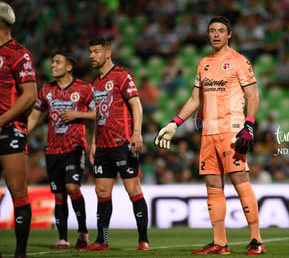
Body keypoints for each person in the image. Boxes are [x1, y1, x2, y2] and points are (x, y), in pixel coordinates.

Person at [155, 16, 265, 255]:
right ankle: (220, 243)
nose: (216, 34)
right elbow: (196, 99)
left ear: (229, 35)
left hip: (231, 131)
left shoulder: (238, 61)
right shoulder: (204, 63)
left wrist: (249, 126)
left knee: (240, 183)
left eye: (221, 31)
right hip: (208, 133)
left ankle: (256, 240)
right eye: (212, 31)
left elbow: (253, 97)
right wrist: (175, 123)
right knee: (213, 187)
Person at [81, 37, 149, 251]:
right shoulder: (95, 82)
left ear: (107, 53)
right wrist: (93, 143)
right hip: (102, 145)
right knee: (101, 191)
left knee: (133, 189)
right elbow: (98, 114)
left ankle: (143, 239)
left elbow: (136, 105)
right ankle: (102, 240)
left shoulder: (122, 76)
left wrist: (137, 132)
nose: (92, 56)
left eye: (96, 51)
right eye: (90, 52)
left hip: (122, 143)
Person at [27, 52, 95, 250]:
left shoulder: (84, 89)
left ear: (68, 67)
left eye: (58, 62)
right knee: (58, 195)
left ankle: (82, 232)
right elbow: (34, 117)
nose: (52, 65)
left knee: (72, 188)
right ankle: (63, 239)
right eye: (52, 61)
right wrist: (22, 134)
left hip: (75, 148)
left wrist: (78, 114)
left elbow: (99, 112)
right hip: (52, 150)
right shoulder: (46, 90)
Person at [0, 2, 37, 258]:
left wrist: (1, 120)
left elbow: (30, 95)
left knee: (17, 190)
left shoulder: (18, 53)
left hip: (10, 129)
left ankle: (20, 254)